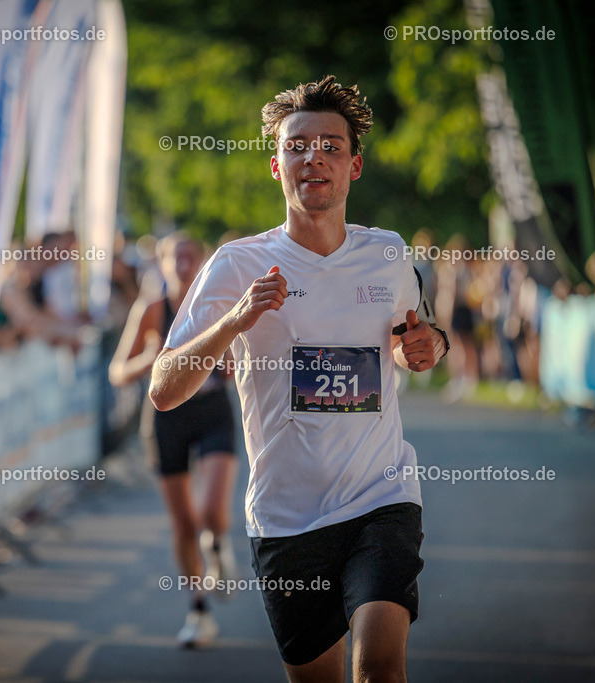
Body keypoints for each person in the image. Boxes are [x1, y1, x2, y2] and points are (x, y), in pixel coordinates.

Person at [149, 76, 448, 683]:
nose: (314, 157)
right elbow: (163, 389)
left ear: (354, 166)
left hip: (381, 497)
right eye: (297, 146)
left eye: (331, 147)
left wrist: (429, 346)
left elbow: (413, 337)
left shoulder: (388, 254)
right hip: (287, 519)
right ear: (275, 165)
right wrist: (234, 322)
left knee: (379, 669)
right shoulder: (238, 263)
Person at [110, 231, 239, 648]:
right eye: (175, 258)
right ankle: (198, 610)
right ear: (162, 265)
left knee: (212, 511)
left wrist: (234, 362)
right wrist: (149, 361)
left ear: (202, 264)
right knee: (184, 523)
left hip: (213, 411)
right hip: (166, 419)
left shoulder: (219, 305)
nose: (183, 266)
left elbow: (244, 360)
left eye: (190, 258)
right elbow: (117, 371)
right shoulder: (152, 309)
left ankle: (216, 544)